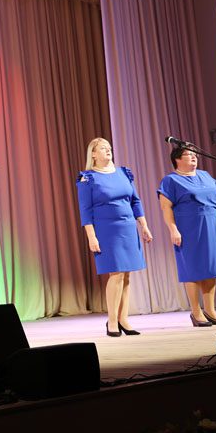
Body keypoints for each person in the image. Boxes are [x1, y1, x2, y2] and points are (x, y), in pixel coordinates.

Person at [76, 138, 153, 337]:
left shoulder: (123, 173)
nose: (108, 150)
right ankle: (111, 321)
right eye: (103, 148)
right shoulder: (88, 178)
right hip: (106, 230)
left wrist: (143, 226)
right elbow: (85, 211)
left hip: (127, 227)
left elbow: (135, 201)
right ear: (93, 154)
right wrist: (91, 237)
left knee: (126, 275)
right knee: (116, 273)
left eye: (109, 147)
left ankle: (123, 319)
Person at [158, 146, 216, 326]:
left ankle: (210, 310)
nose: (193, 157)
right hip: (188, 227)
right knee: (192, 269)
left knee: (211, 268)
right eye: (188, 155)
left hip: (212, 225)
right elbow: (165, 207)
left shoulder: (205, 175)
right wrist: (173, 229)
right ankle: (196, 312)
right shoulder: (171, 180)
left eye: (194, 154)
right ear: (177, 159)